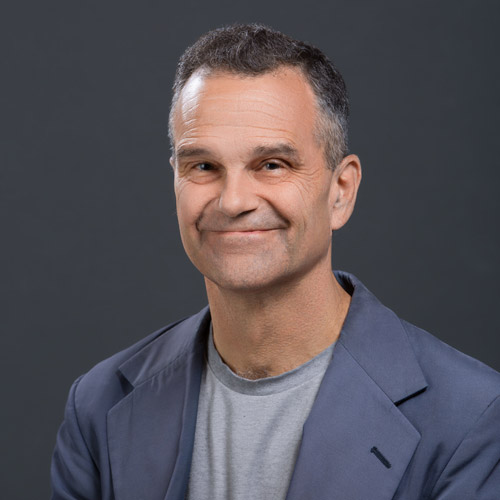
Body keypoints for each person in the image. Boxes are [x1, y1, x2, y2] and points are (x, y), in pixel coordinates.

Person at [51, 24, 500, 500]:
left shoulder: (471, 417)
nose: (233, 201)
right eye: (203, 166)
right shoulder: (98, 407)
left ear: (341, 191)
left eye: (272, 164)